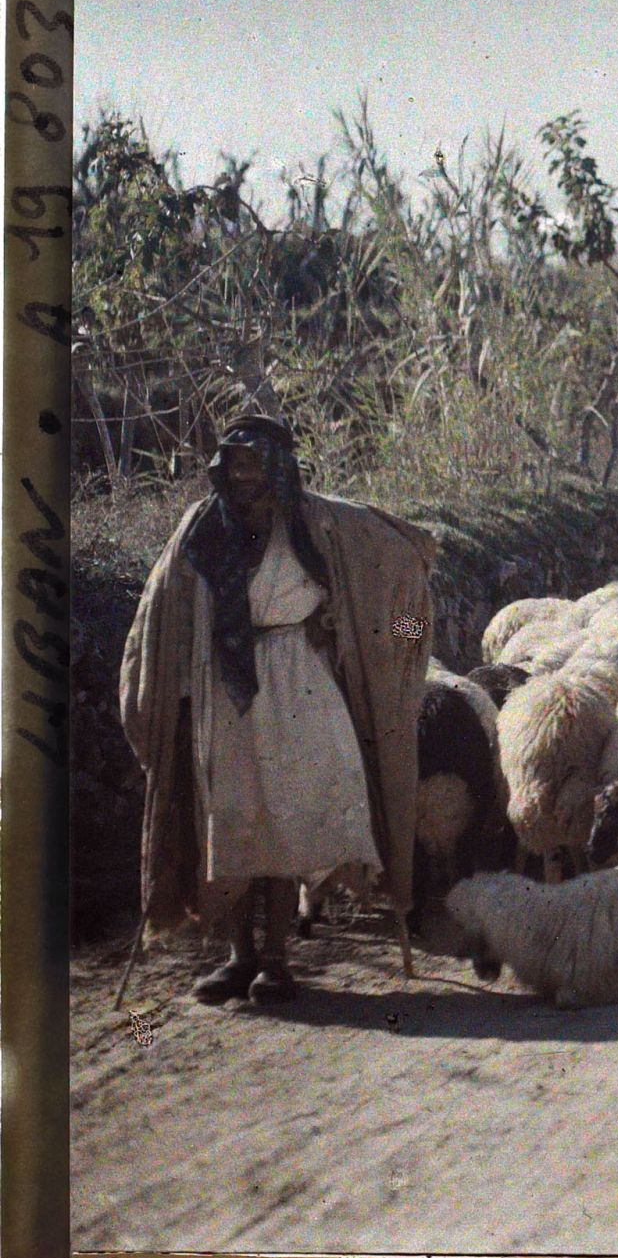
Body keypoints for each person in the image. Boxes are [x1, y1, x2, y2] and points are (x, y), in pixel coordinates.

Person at [120, 413, 438, 1005]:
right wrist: (161, 685)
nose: (243, 482)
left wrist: (399, 634)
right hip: (223, 686)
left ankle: (276, 961)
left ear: (280, 470)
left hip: (297, 680)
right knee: (233, 819)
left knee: (287, 814)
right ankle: (239, 958)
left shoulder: (325, 525)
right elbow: (158, 614)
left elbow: (399, 579)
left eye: (254, 469)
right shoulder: (200, 527)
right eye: (232, 470)